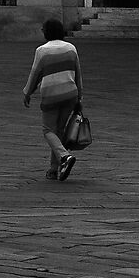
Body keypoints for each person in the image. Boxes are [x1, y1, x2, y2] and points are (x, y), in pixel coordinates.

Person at [20, 19, 85, 182]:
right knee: (59, 131)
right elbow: (78, 73)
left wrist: (27, 92)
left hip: (51, 95)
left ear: (47, 32)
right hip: (70, 94)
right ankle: (54, 169)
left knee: (48, 130)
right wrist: (80, 96)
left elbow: (35, 74)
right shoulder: (71, 48)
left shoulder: (42, 51)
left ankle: (65, 156)